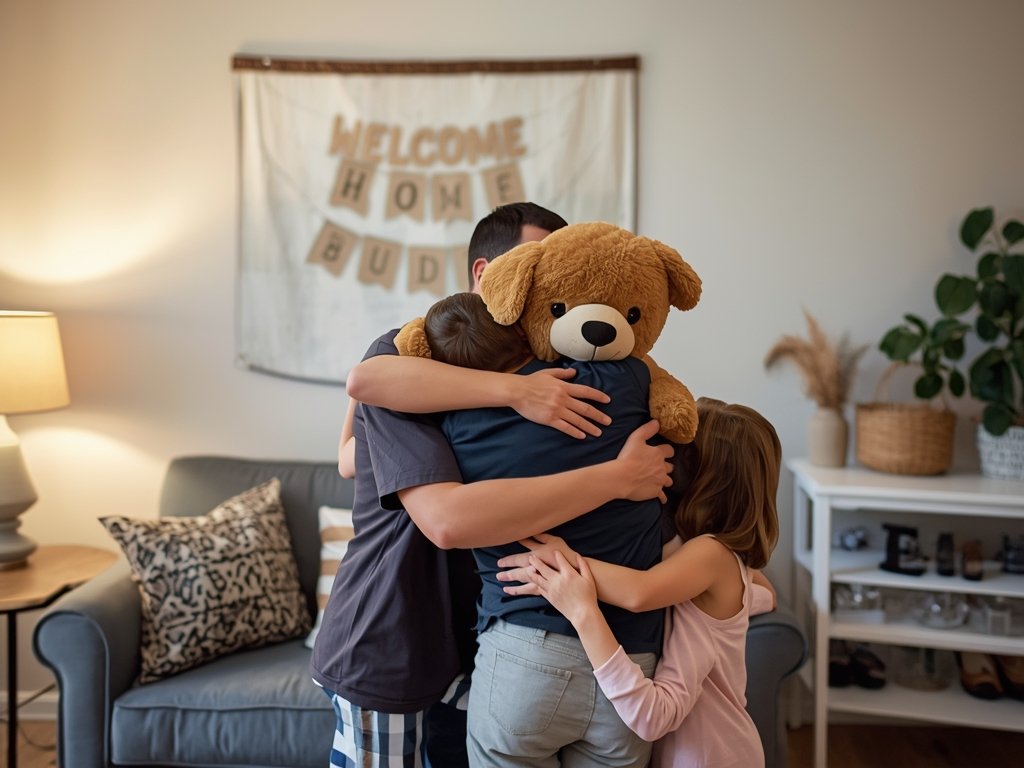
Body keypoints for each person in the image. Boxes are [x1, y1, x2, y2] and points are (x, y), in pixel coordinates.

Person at [310, 202, 675, 768]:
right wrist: (523, 401)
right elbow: (445, 516)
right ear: (485, 274)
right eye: (528, 262)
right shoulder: (421, 353)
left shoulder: (550, 359)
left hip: (483, 639)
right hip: (393, 634)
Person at [498, 397, 782, 768]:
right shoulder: (727, 565)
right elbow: (767, 597)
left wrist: (572, 581)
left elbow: (639, 594)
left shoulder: (711, 554)